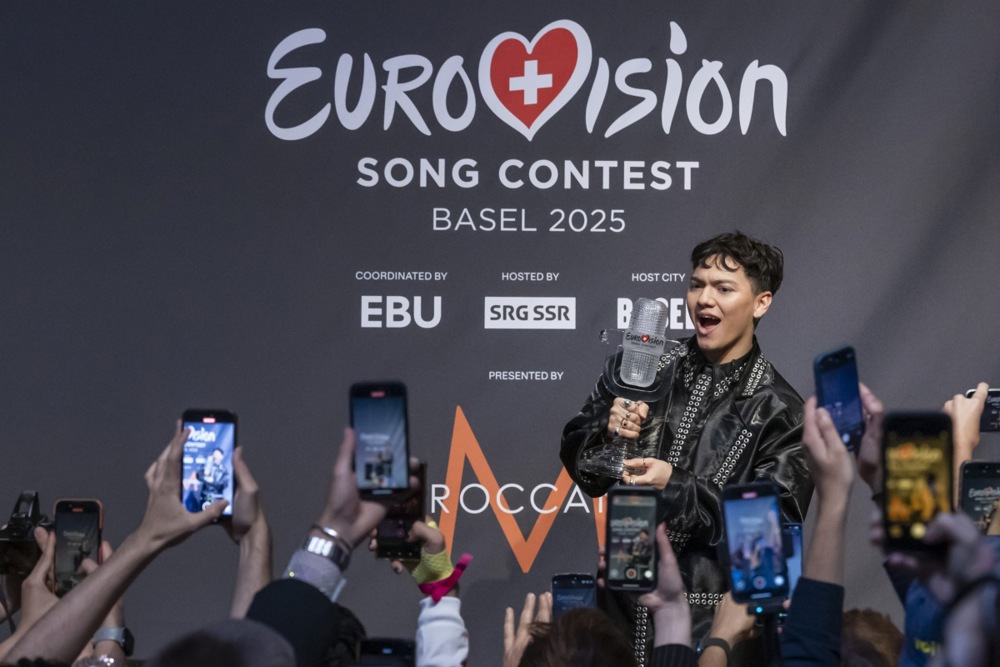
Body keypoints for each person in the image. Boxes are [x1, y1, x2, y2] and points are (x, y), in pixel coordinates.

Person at [561, 231, 812, 658]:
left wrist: (673, 484)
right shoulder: (643, 365)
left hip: (713, 631)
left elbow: (774, 531)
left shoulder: (782, 411)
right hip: (618, 618)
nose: (703, 299)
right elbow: (582, 462)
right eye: (696, 285)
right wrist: (608, 429)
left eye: (723, 288)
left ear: (761, 302)